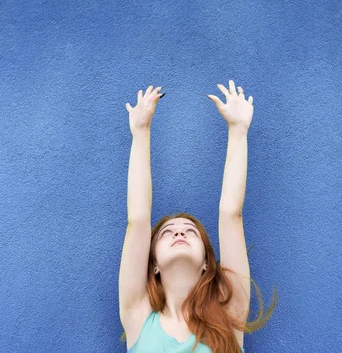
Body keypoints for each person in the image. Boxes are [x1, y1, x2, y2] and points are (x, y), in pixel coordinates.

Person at [119, 81, 277, 352]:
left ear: (207, 262)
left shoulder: (230, 315)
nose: (179, 232)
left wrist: (238, 130)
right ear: (153, 263)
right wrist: (140, 131)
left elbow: (231, 215)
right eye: (167, 232)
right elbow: (138, 219)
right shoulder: (138, 315)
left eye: (190, 231)